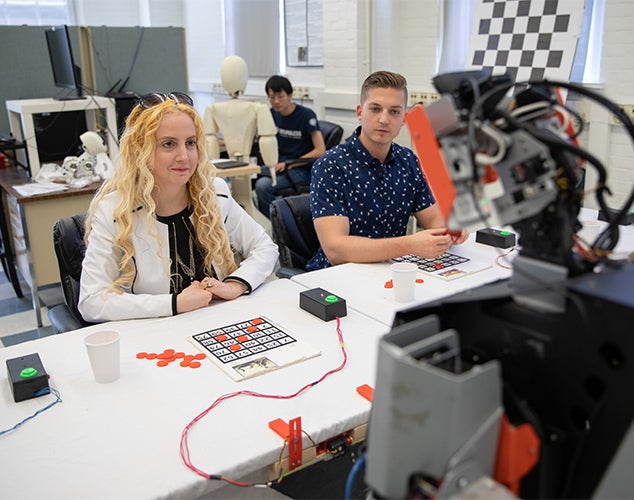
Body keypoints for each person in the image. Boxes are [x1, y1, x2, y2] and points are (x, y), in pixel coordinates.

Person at [78, 92, 279, 323]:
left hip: (221, 323)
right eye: (168, 144)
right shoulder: (114, 211)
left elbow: (265, 248)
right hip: (157, 335)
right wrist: (175, 303)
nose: (184, 156)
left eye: (190, 143)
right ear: (140, 150)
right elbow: (91, 301)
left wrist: (236, 284)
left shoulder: (214, 193)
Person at [306, 70, 467, 271]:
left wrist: (449, 227)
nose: (384, 119)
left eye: (394, 111)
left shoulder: (407, 160)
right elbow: (336, 250)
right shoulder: (330, 166)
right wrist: (409, 245)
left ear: (404, 119)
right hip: (337, 277)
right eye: (375, 109)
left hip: (392, 270)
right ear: (359, 112)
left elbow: (433, 218)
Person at [255, 75, 326, 219]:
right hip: (278, 165)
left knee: (262, 186)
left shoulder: (306, 115)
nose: (276, 101)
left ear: (290, 95)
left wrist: (289, 163)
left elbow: (320, 150)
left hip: (300, 168)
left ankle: (280, 225)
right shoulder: (271, 114)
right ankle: (266, 222)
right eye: (271, 97)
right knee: (247, 178)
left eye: (280, 96)